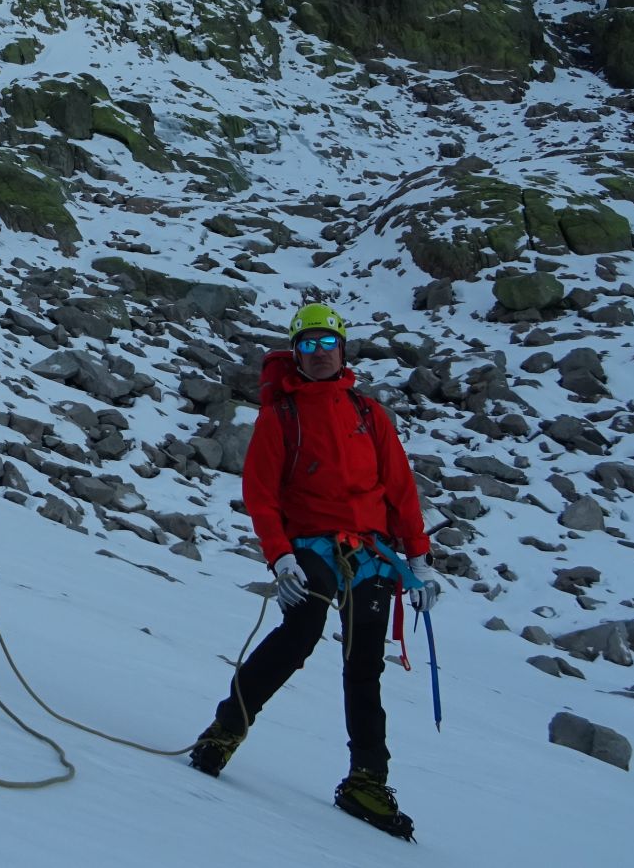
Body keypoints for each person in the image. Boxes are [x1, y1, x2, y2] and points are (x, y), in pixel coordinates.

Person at [189, 302, 444, 839]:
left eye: (328, 343)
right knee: (299, 634)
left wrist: (418, 558)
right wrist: (280, 555)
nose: (320, 353)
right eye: (308, 345)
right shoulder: (281, 415)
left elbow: (399, 488)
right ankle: (225, 730)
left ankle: (367, 778)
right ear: (295, 352)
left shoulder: (368, 415)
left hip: (372, 552)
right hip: (310, 546)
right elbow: (261, 493)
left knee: (365, 661)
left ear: (343, 349)